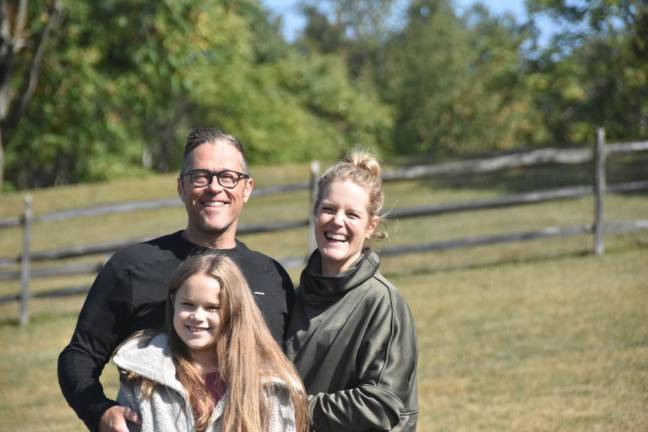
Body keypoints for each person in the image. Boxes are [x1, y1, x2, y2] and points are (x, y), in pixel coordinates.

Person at [58, 128, 294, 432]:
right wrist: (99, 411)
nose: (214, 187)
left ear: (247, 189)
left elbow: (287, 374)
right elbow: (80, 355)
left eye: (228, 177)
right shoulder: (132, 268)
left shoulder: (272, 278)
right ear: (181, 186)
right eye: (200, 176)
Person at [284, 150, 418, 431]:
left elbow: (382, 404)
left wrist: (292, 409)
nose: (338, 222)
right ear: (315, 213)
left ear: (371, 226)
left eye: (352, 214)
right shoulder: (290, 298)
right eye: (329, 209)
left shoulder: (382, 303)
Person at [112, 252, 308, 432]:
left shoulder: (270, 385)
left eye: (212, 307)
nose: (197, 316)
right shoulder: (143, 375)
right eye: (188, 305)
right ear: (173, 302)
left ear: (234, 310)